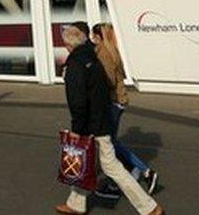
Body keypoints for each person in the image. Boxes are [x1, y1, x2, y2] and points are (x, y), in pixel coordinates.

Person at [54, 25, 164, 215]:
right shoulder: (92, 57)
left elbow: (78, 101)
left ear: (67, 45)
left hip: (91, 123)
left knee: (109, 165)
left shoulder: (76, 64)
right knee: (87, 162)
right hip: (100, 117)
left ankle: (149, 207)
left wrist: (77, 129)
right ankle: (75, 204)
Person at [91, 22, 158, 197]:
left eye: (93, 35)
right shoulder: (112, 49)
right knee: (111, 142)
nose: (91, 39)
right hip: (119, 100)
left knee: (110, 143)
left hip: (112, 101)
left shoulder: (103, 53)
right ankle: (135, 170)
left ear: (98, 36)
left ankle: (144, 171)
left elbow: (109, 80)